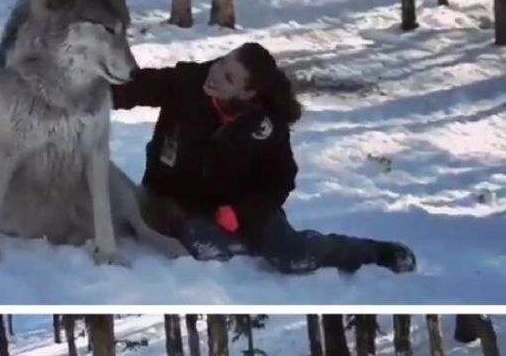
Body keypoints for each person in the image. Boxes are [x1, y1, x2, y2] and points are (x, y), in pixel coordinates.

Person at [112, 45, 416, 277]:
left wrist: (241, 213)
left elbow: (280, 180)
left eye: (229, 77)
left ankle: (374, 252)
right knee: (203, 245)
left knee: (292, 256)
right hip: (175, 202)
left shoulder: (266, 126)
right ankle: (248, 246)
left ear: (248, 93)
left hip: (242, 208)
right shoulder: (187, 82)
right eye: (221, 63)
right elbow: (132, 89)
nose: (215, 75)